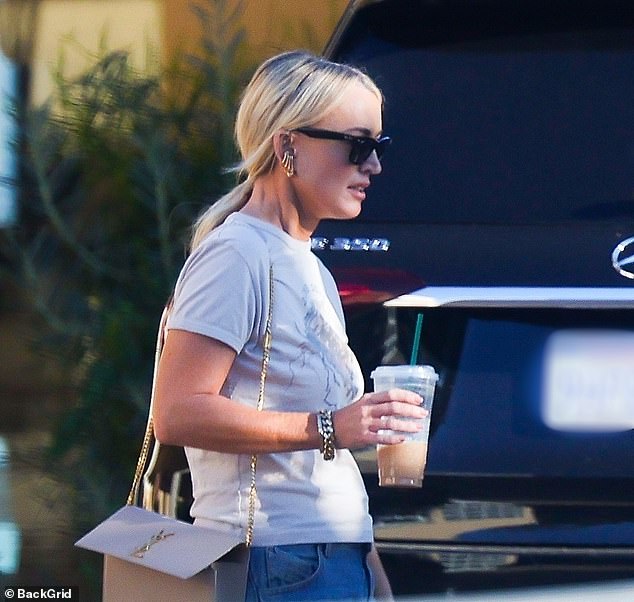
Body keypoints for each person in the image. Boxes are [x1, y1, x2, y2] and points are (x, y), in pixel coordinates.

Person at [153, 50, 426, 602]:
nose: (373, 166)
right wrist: (328, 426)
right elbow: (177, 412)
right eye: (358, 145)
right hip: (275, 562)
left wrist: (369, 564)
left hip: (327, 558)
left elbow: (326, 459)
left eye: (378, 147)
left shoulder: (308, 265)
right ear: (287, 146)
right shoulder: (236, 255)